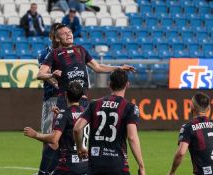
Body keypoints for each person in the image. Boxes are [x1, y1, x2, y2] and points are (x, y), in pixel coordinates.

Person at [37, 24, 135, 111]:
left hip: (82, 99)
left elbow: (98, 67)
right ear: (57, 39)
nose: (68, 35)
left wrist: (119, 68)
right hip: (64, 100)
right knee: (62, 131)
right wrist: (51, 75)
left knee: (83, 130)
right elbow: (40, 74)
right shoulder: (54, 54)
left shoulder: (80, 50)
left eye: (69, 32)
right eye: (64, 33)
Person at [73, 69, 146, 175]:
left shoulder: (94, 104)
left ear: (109, 84)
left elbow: (77, 128)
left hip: (95, 164)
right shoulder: (130, 107)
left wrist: (80, 148)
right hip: (117, 164)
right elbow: (132, 137)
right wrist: (141, 166)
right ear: (127, 85)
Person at [24, 81, 88, 175]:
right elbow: (73, 124)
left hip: (68, 166)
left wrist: (35, 134)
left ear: (66, 94)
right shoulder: (86, 112)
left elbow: (54, 139)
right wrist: (57, 118)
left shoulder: (65, 113)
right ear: (82, 96)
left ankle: (41, 172)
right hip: (85, 164)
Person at [35, 22, 62, 175]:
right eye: (59, 33)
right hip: (52, 98)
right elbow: (46, 76)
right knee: (48, 135)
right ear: (53, 36)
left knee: (66, 137)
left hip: (67, 99)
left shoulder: (70, 53)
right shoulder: (44, 53)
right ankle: (46, 171)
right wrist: (61, 86)